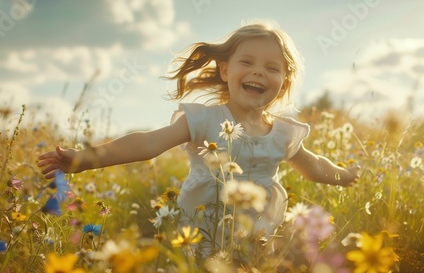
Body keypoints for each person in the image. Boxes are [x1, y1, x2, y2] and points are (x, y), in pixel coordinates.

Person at [37, 21, 359, 255]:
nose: (259, 72)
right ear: (224, 70)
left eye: (272, 68)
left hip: (256, 234)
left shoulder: (283, 132)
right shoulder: (205, 119)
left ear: (284, 81)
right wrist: (86, 159)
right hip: (200, 230)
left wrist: (344, 175)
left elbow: (313, 165)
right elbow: (148, 143)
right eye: (247, 62)